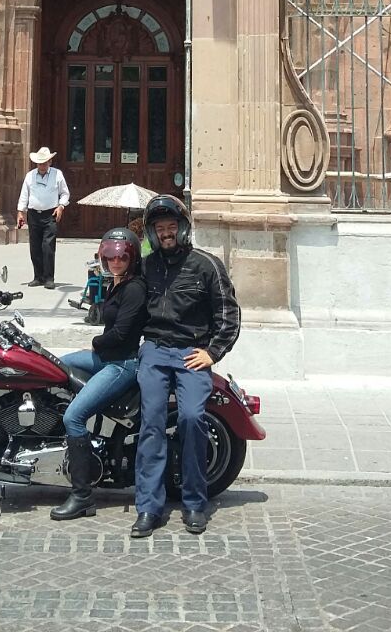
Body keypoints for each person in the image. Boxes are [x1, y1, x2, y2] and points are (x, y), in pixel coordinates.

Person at [131, 194, 241, 539]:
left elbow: (229, 314)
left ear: (182, 228)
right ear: (152, 233)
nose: (166, 233)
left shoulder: (206, 265)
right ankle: (148, 507)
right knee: (151, 421)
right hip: (155, 350)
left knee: (192, 418)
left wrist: (212, 353)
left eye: (170, 227)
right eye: (159, 228)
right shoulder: (146, 266)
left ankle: (194, 502)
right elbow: (130, 308)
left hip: (191, 353)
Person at [51, 228, 147, 522]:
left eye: (122, 257)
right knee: (53, 366)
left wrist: (95, 342)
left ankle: (82, 496)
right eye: (110, 257)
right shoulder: (117, 283)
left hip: (121, 364)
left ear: (132, 257)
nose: (116, 262)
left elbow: (120, 334)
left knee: (74, 417)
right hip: (105, 357)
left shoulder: (134, 289)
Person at [16, 146, 69, 289]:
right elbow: (24, 194)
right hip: (33, 214)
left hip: (50, 214)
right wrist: (20, 212)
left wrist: (61, 206)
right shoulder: (30, 175)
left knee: (48, 246)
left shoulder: (57, 174)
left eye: (44, 163)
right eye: (40, 163)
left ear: (49, 162)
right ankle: (38, 277)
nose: (42, 166)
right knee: (35, 247)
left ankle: (49, 278)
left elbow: (65, 193)